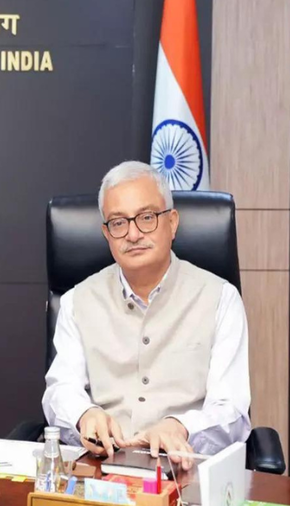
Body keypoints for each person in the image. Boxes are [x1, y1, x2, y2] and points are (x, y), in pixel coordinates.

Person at [42, 161, 251, 469]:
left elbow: (231, 409)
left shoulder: (221, 298)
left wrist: (181, 427)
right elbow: (60, 390)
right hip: (100, 471)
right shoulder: (76, 301)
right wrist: (84, 415)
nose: (133, 233)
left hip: (185, 470)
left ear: (172, 222)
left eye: (147, 218)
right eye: (118, 223)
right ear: (106, 233)